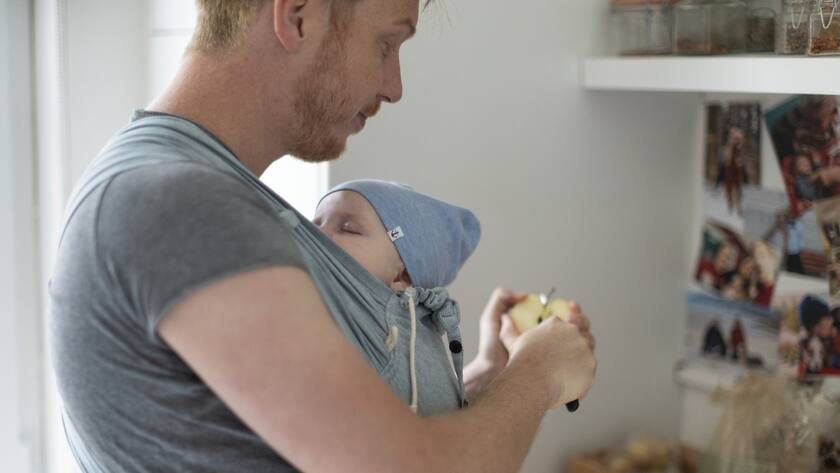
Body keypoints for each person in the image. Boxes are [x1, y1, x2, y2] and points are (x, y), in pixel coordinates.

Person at [48, 1, 598, 472]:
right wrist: (539, 375)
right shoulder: (179, 205)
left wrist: (491, 380)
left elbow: (365, 437)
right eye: (387, 44)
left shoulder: (191, 195)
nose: (394, 87)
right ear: (298, 16)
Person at [312, 179, 481, 413]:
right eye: (313, 224)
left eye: (349, 229)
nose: (317, 234)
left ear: (403, 276)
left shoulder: (380, 338)